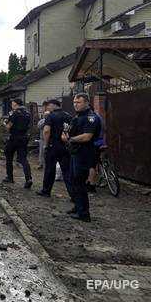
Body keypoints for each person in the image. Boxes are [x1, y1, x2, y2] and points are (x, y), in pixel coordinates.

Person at [62, 93, 101, 222]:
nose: (75, 104)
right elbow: (69, 131)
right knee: (73, 180)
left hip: (84, 154)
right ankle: (78, 207)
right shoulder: (78, 117)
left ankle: (84, 214)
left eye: (78, 102)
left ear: (86, 103)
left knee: (79, 182)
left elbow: (87, 136)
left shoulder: (91, 118)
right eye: (74, 102)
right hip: (75, 153)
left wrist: (71, 139)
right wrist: (66, 136)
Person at [37, 99, 72, 197]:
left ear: (53, 105)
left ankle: (46, 191)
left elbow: (46, 131)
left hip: (53, 146)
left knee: (49, 169)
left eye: (48, 106)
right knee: (67, 171)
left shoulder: (51, 116)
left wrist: (46, 144)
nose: (47, 108)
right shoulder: (68, 116)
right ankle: (73, 194)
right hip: (65, 146)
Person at [3, 98, 33, 188]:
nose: (12, 106)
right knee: (23, 159)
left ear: (16, 104)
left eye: (12, 104)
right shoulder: (28, 113)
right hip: (24, 138)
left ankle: (10, 177)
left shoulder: (15, 113)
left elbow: (9, 126)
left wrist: (4, 124)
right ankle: (29, 179)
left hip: (14, 137)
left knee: (9, 156)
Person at [36, 102, 50, 169]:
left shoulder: (51, 119)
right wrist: (45, 121)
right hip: (42, 138)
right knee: (41, 152)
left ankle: (46, 164)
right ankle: (41, 164)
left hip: (49, 138)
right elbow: (39, 126)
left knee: (47, 153)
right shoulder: (42, 120)